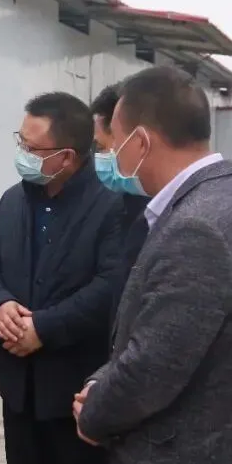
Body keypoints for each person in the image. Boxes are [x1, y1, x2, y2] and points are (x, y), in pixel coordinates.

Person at [74, 66, 232, 464]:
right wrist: (103, 380)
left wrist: (95, 413)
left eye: (115, 142)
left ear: (141, 141)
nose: (112, 156)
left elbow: (155, 365)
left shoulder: (198, 227)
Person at [0, 92, 125, 464]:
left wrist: (45, 328)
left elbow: (112, 287)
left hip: (81, 397)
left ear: (67, 157)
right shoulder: (13, 202)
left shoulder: (113, 206)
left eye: (32, 147)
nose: (22, 153)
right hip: (21, 394)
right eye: (20, 140)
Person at [90, 82, 151, 340]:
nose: (98, 159)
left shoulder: (185, 220)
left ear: (137, 141)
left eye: (101, 148)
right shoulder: (123, 202)